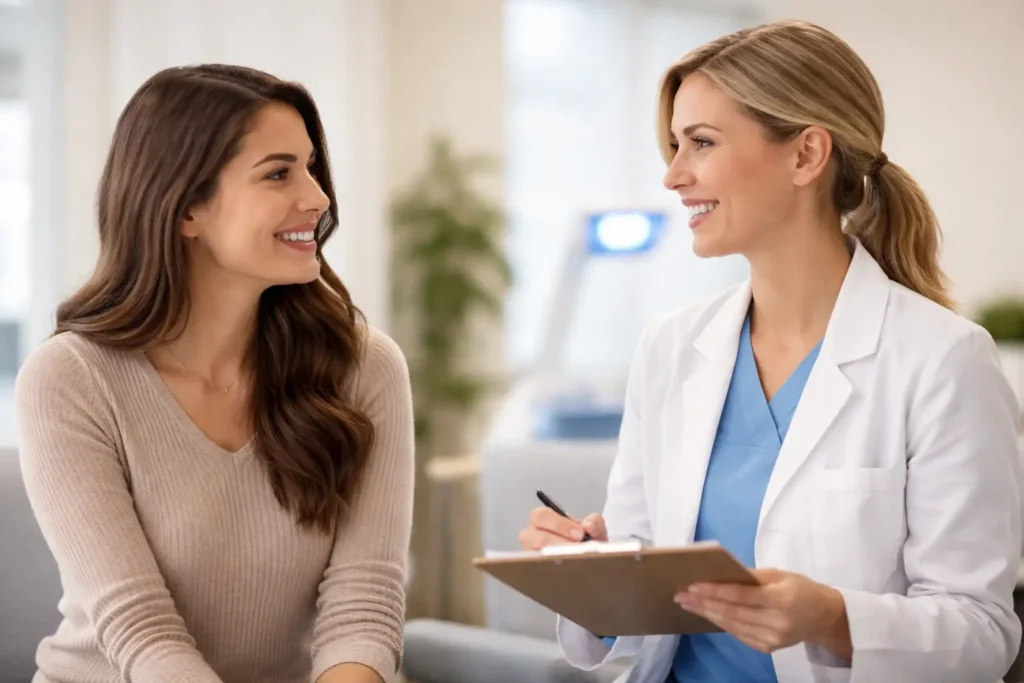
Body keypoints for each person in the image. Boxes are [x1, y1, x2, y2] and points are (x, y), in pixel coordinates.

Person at [519, 19, 1022, 683]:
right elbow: (643, 611)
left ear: (806, 155)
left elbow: (984, 631)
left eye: (701, 142)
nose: (672, 175)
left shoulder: (943, 359)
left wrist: (832, 616)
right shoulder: (670, 347)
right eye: (674, 145)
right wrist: (594, 573)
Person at [15, 64, 414, 683]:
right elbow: (140, 630)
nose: (317, 197)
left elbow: (363, 606)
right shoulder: (69, 380)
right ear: (185, 210)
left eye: (310, 167)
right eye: (279, 173)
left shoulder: (364, 368)